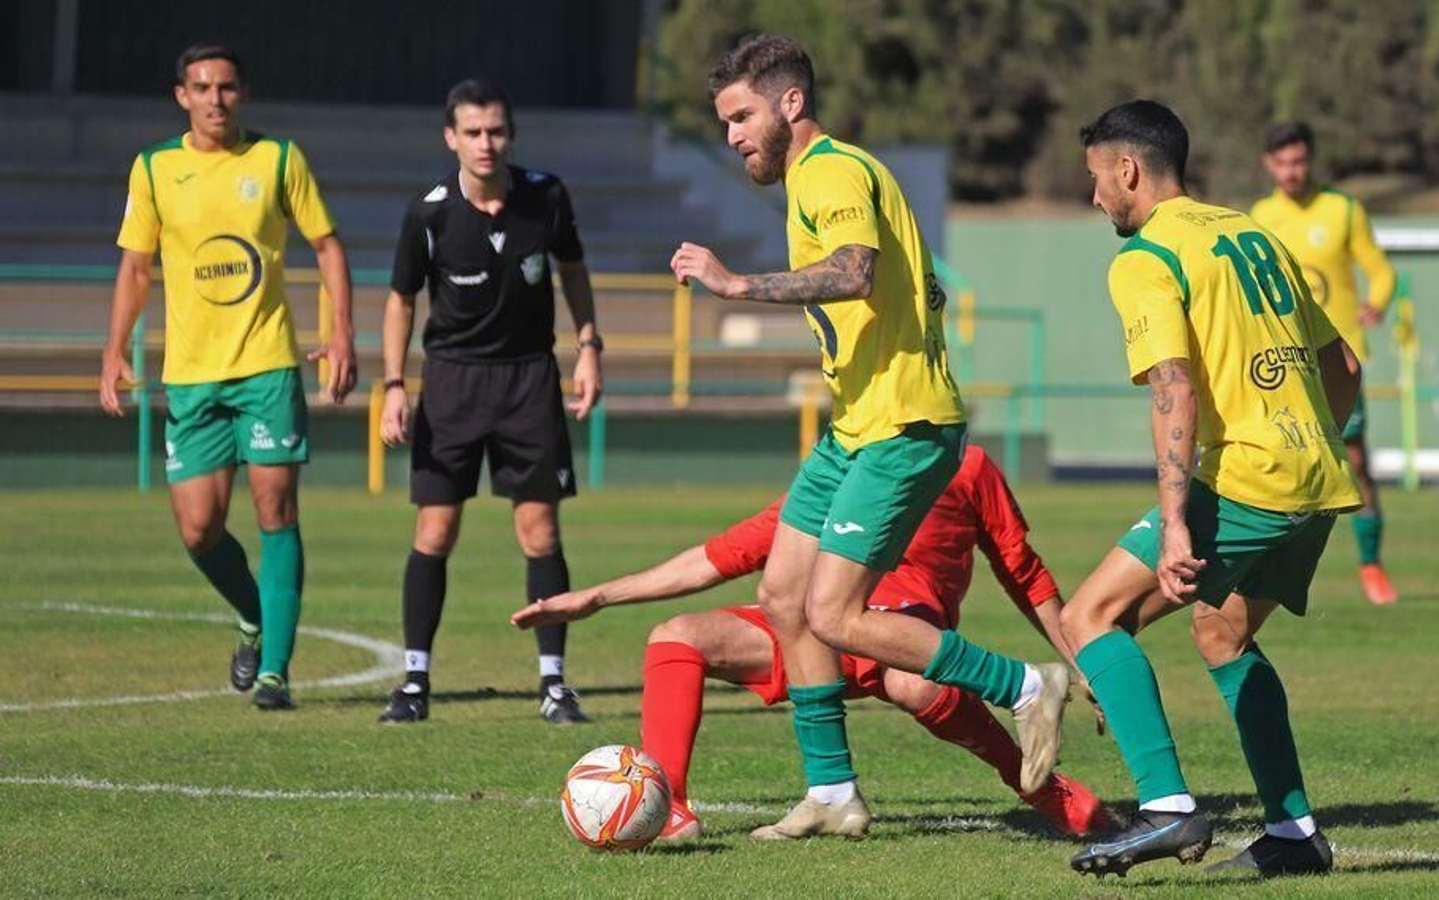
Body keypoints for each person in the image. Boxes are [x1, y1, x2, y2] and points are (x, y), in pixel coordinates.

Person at [668, 34, 1071, 840]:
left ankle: (1027, 685)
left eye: (742, 116)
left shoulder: (831, 171)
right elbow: (915, 286)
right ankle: (832, 792)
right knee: (783, 598)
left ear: (791, 104)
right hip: (855, 428)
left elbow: (855, 270)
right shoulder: (833, 177)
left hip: (902, 427)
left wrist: (736, 283)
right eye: (723, 122)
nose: (733, 136)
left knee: (833, 614)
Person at [513, 445, 1112, 841]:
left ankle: (1046, 790)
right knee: (677, 637)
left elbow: (1022, 570)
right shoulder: (837, 464)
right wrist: (598, 596)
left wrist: (1083, 661)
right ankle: (669, 807)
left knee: (916, 680)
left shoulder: (965, 464)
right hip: (810, 638)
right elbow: (720, 557)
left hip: (898, 629)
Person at [1058, 101, 1362, 878]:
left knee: (1090, 615)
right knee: (1220, 632)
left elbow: (1173, 387)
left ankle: (1166, 807)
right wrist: (1310, 440)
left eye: (1096, 178)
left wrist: (1174, 523)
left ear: (1127, 170)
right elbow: (1344, 368)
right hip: (1320, 479)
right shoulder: (1252, 232)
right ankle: (1294, 834)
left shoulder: (1146, 258)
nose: (1094, 197)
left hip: (1250, 478)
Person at [100, 44, 356, 711]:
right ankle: (252, 615)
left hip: (268, 364)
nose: (216, 99)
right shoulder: (155, 168)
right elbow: (135, 267)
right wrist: (114, 350)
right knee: (198, 529)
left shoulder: (277, 160)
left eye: (227, 87)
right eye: (203, 87)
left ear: (243, 93)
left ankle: (275, 671)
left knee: (277, 510)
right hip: (190, 377)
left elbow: (327, 246)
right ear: (181, 95)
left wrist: (341, 333)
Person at [376, 79, 602, 726]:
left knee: (540, 531)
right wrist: (394, 386)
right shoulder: (429, 213)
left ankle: (555, 684)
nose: (485, 143)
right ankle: (415, 680)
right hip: (450, 383)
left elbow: (574, 271)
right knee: (435, 531)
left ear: (511, 134)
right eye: (472, 132)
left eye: (496, 131)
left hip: (529, 380)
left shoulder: (546, 196)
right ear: (451, 138)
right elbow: (400, 301)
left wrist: (590, 345)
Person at [1251, 122, 1399, 605]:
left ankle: (1371, 564)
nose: (1292, 171)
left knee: (1353, 461)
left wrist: (1376, 301)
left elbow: (1379, 269)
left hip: (1337, 357)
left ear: (1310, 160)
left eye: (1299, 161)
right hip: (1284, 358)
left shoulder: (1342, 209)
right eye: (1283, 163)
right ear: (1268, 165)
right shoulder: (1260, 215)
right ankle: (1266, 569)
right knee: (1279, 461)